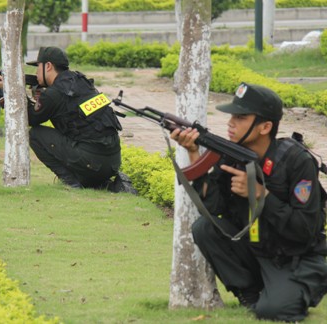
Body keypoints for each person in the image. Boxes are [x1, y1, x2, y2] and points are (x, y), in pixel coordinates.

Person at [170, 82, 327, 322]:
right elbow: (213, 209)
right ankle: (250, 294)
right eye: (232, 116)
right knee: (205, 229)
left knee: (275, 312)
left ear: (265, 126)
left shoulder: (297, 161)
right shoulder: (233, 154)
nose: (231, 123)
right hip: (256, 251)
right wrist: (193, 152)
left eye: (241, 117)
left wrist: (260, 195)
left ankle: (290, 292)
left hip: (295, 259)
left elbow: (305, 230)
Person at [21, 46, 134, 191]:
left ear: (48, 66)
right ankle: (102, 183)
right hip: (112, 162)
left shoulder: (54, 94)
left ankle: (72, 182)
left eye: (38, 67)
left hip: (92, 162)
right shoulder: (81, 82)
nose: (36, 73)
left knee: (35, 134)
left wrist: (10, 91)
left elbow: (29, 119)